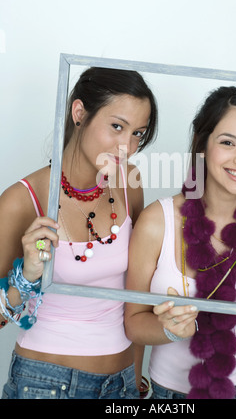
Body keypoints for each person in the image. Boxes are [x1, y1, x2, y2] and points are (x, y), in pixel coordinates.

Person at [125, 84, 236, 400]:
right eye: (228, 142)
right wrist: (168, 328)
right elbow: (133, 324)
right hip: (171, 395)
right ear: (202, 145)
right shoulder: (156, 220)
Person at [0, 66, 157, 399]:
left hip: (123, 383)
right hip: (45, 384)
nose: (127, 146)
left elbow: (137, 297)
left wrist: (137, 379)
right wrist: (27, 275)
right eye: (117, 126)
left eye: (138, 134)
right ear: (79, 112)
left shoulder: (130, 183)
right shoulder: (22, 199)